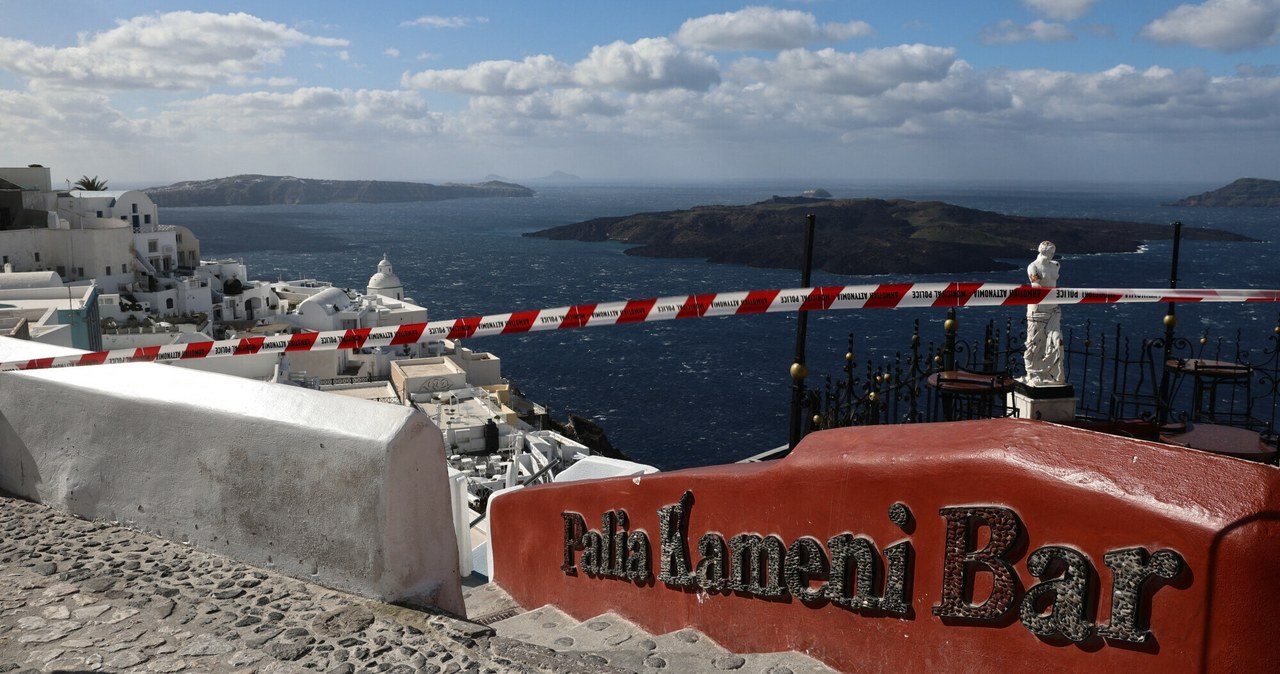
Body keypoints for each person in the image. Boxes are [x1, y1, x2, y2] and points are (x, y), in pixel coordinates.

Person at [1023, 241, 1064, 385]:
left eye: (1053, 252)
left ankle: (1051, 374)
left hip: (1053, 310)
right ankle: (1033, 374)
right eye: (1049, 252)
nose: (1052, 255)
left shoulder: (1056, 265)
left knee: (1056, 342)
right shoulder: (1033, 267)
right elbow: (1038, 288)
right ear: (1042, 251)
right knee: (1034, 345)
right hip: (1038, 310)